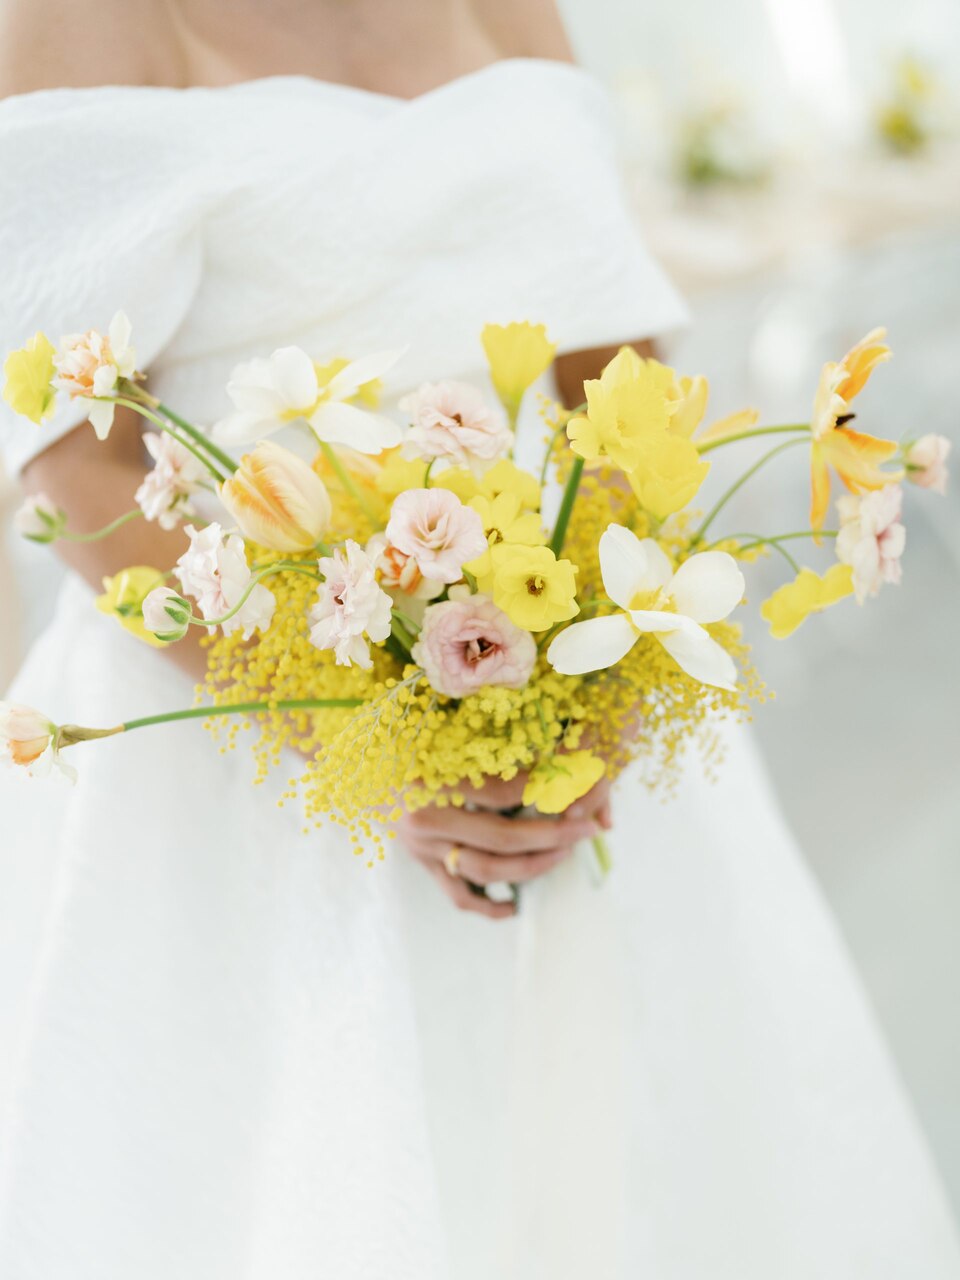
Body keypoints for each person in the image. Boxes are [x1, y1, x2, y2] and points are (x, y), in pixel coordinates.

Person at [1, 1, 958, 1276]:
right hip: (238, 712)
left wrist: (605, 657)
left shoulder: (509, 6)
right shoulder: (82, 21)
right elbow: (78, 463)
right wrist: (371, 735)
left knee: (650, 1154)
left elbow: (618, 376)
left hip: (561, 636)